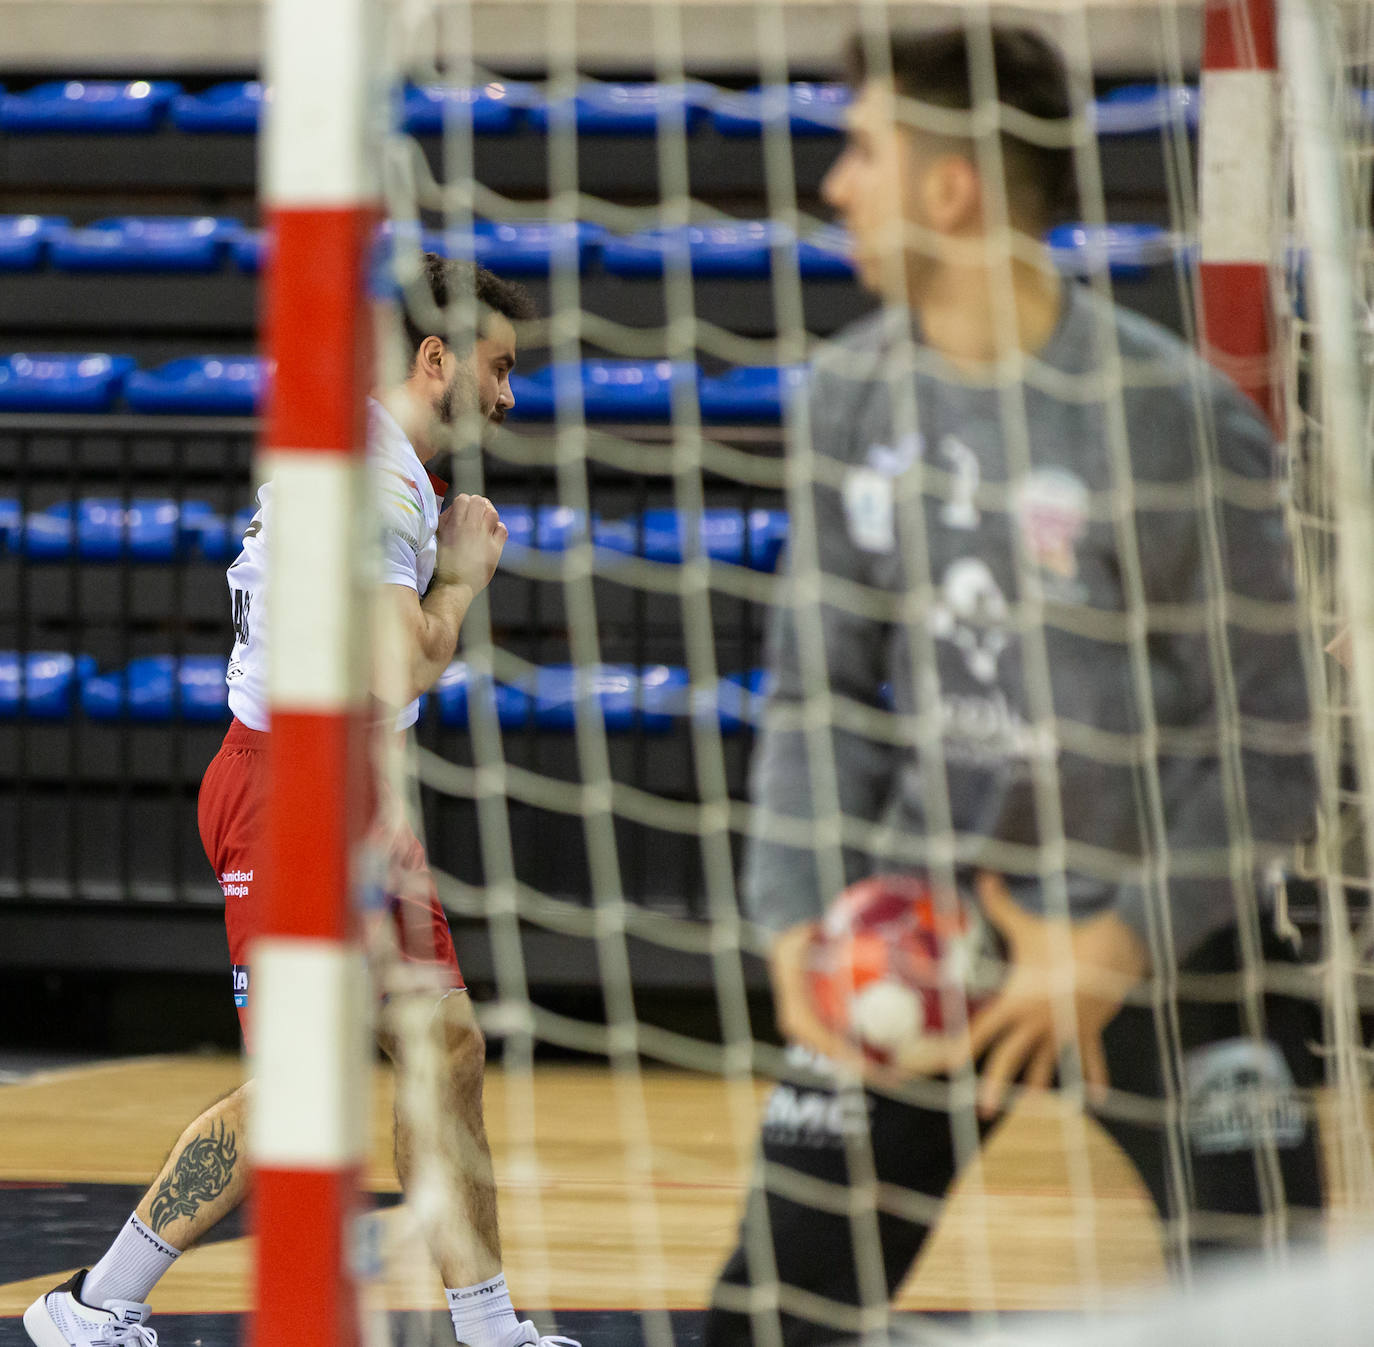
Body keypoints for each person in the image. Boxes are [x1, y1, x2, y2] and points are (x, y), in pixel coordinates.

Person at [705, 27, 1324, 1347]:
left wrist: (1113, 945)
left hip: (1164, 931)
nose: (834, 185)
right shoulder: (848, 399)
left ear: (951, 187)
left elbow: (1272, 738)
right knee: (763, 1320)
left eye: (861, 149)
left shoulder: (1167, 414)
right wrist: (789, 928)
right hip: (928, 930)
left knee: (1282, 1304)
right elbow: (819, 697)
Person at [24, 256, 573, 1347]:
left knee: (447, 1050)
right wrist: (465, 577)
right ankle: (91, 1304)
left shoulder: (389, 471)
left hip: (354, 795)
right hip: (284, 795)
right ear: (436, 357)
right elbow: (400, 667)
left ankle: (490, 1326)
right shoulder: (371, 481)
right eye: (499, 370)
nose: (508, 397)